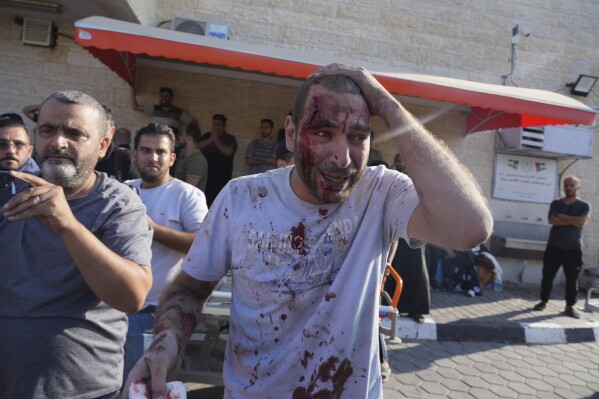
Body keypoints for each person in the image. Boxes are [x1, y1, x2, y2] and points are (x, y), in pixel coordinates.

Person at [123, 64, 492, 399]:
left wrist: (389, 105)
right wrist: (166, 343)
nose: (342, 156)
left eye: (358, 137)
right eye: (323, 132)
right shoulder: (242, 198)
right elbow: (189, 288)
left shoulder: (381, 194)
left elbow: (470, 227)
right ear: (290, 132)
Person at [0, 90, 153, 399]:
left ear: (103, 146)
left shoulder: (119, 204)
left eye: (74, 134)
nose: (58, 142)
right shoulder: (11, 191)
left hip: (80, 390)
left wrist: (68, 225)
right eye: (48, 130)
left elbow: (132, 295)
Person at [124, 122, 208, 380]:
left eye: (160, 152)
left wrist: (151, 229)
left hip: (156, 314)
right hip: (113, 308)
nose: (153, 157)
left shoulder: (187, 195)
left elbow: (202, 245)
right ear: (135, 154)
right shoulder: (123, 190)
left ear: (172, 158)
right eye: (146, 150)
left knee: (141, 387)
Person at [533, 176, 590, 318]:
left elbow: (580, 222)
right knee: (547, 276)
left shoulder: (584, 206)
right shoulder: (556, 203)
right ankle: (543, 301)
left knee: (572, 279)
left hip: (573, 249)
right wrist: (572, 220)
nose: (568, 187)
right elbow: (552, 220)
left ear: (578, 187)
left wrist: (562, 216)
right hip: (554, 247)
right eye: (566, 185)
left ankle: (570, 306)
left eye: (572, 185)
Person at [385, 154, 430, 322]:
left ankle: (416, 309)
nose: (401, 164)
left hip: (415, 229)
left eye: (403, 162)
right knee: (392, 268)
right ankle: (391, 307)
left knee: (415, 269)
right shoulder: (393, 177)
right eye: (398, 162)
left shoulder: (420, 178)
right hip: (396, 226)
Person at [198, 113, 237, 205]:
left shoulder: (230, 138)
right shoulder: (207, 136)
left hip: (221, 178)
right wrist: (210, 139)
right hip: (205, 176)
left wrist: (216, 139)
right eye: (214, 124)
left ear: (224, 126)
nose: (216, 127)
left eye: (219, 124)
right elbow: (197, 146)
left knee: (218, 203)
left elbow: (228, 151)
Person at [95, 106, 140, 182]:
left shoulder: (123, 157)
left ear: (112, 132)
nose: (100, 133)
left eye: (103, 128)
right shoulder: (80, 155)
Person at [131, 86, 197, 137]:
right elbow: (135, 107)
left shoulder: (178, 112)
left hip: (172, 145)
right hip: (156, 142)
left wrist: (184, 135)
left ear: (171, 98)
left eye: (166, 96)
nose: (163, 98)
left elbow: (193, 123)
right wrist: (132, 89)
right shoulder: (155, 108)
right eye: (162, 96)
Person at [174, 123, 209, 192]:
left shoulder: (196, 160)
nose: (179, 137)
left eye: (181, 134)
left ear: (189, 138)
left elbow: (188, 190)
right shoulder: (184, 156)